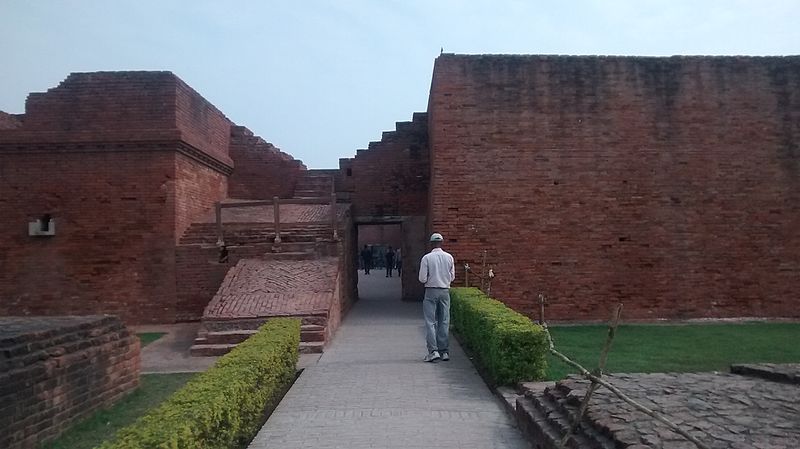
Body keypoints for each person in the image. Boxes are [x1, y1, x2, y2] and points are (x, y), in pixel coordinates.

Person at [418, 233, 455, 362]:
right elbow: (452, 277)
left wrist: (431, 279)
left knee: (430, 321)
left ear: (431, 244)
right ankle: (444, 351)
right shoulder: (449, 257)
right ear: (442, 243)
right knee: (444, 321)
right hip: (445, 290)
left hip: (431, 290)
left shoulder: (427, 258)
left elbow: (422, 278)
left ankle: (433, 351)